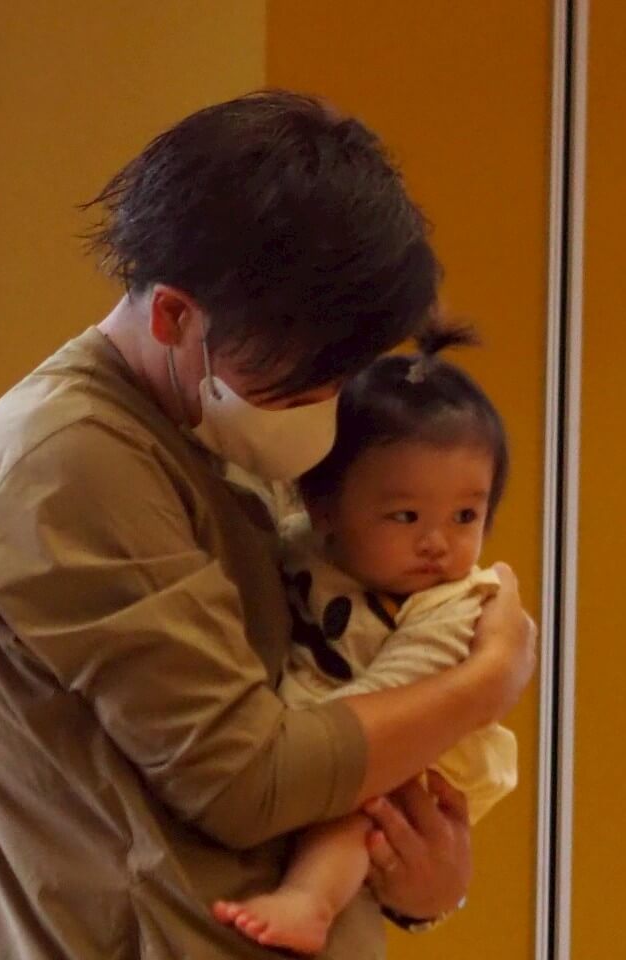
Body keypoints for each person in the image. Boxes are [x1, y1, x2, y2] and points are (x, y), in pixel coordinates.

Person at [0, 90, 536, 960]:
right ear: (175, 316)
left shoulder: (219, 424)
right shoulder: (71, 459)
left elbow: (332, 717)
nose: (324, 403)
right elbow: (246, 782)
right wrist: (484, 683)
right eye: (299, 376)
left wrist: (422, 883)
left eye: (341, 373)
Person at [211, 330, 519, 955]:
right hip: (336, 720)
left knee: (364, 802)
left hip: (416, 740)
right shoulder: (304, 544)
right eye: (406, 516)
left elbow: (395, 700)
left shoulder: (456, 604)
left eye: (466, 516)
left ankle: (310, 900)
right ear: (323, 506)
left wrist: (294, 750)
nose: (437, 543)